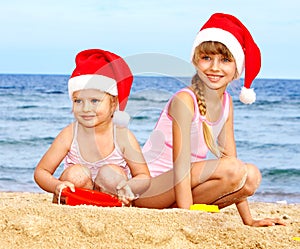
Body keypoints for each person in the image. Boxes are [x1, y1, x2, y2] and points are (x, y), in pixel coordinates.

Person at [135, 13, 285, 226]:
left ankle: (179, 209)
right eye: (207, 58)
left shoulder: (226, 103)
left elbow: (230, 157)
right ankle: (184, 210)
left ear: (236, 69)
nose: (215, 67)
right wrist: (186, 218)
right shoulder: (185, 100)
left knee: (250, 176)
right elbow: (181, 166)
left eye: (224, 60)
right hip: (150, 190)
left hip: (182, 189)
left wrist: (249, 220)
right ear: (196, 61)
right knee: (233, 168)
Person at [34, 49, 150, 205]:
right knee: (76, 173)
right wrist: (57, 186)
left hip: (110, 201)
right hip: (75, 199)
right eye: (78, 101)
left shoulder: (122, 136)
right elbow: (41, 172)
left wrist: (128, 186)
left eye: (95, 101)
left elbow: (143, 177)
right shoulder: (70, 134)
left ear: (114, 103)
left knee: (111, 173)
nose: (86, 108)